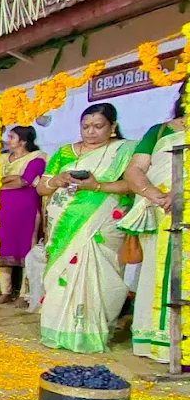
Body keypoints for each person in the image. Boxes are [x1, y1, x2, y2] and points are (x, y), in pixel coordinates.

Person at [35, 102, 134, 353]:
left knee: (99, 276)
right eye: (85, 126)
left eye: (98, 126)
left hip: (101, 225)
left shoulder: (125, 150)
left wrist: (97, 186)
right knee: (62, 275)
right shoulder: (63, 153)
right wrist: (58, 180)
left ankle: (92, 333)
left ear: (113, 127)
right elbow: (41, 188)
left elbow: (131, 186)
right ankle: (57, 329)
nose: (90, 132)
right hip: (63, 226)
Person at [120, 81, 189, 363]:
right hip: (162, 213)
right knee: (156, 275)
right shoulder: (160, 131)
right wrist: (155, 194)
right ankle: (161, 345)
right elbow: (134, 169)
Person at [0, 125, 47, 303]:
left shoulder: (37, 157)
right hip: (0, 209)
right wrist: (14, 179)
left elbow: (24, 181)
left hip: (26, 209)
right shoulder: (2, 158)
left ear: (23, 141)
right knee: (1, 246)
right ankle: (6, 291)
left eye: (11, 137)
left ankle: (26, 294)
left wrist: (1, 182)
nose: (7, 140)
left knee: (27, 247)